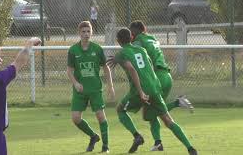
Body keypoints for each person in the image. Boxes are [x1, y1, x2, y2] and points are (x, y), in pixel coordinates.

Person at [107, 28, 197, 155]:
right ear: (131, 38)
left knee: (120, 110)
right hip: (155, 87)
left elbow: (132, 70)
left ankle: (137, 136)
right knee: (166, 120)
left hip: (140, 91)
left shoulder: (121, 53)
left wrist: (141, 92)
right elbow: (149, 66)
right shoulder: (142, 50)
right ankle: (190, 148)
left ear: (118, 41)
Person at [129, 20, 194, 151]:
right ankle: (158, 143)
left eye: (131, 32)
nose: (130, 35)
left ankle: (177, 103)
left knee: (152, 115)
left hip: (156, 79)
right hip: (166, 77)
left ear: (135, 32)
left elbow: (131, 52)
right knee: (152, 111)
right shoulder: (152, 39)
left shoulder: (138, 41)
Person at [67, 21, 115, 153]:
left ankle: (105, 146)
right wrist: (76, 83)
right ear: (79, 33)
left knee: (100, 116)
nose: (86, 34)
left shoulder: (97, 49)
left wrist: (110, 85)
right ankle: (93, 136)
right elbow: (69, 71)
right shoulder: (73, 50)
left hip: (95, 89)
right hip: (80, 90)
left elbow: (106, 68)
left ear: (92, 32)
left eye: (88, 31)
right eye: (83, 31)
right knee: (75, 118)